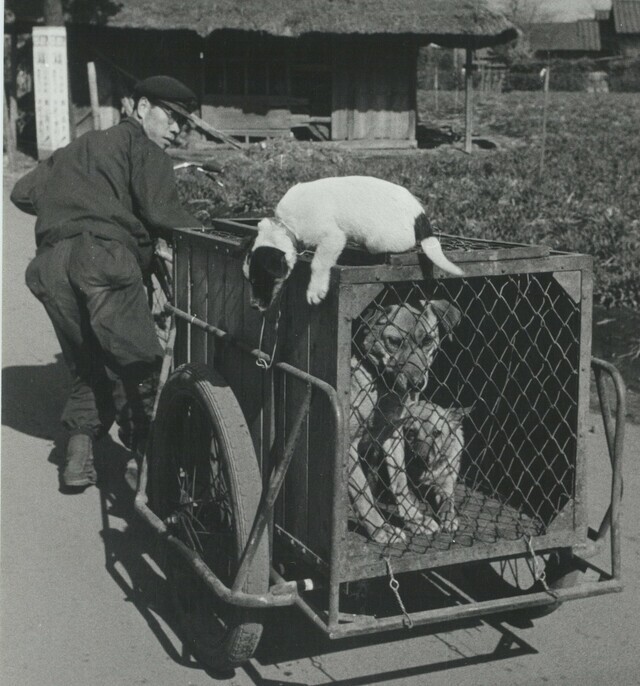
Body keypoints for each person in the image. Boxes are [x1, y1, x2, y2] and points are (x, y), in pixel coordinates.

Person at [11, 75, 203, 489]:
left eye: (183, 124)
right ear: (139, 108)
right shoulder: (143, 148)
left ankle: (78, 459)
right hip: (105, 260)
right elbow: (163, 213)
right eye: (170, 116)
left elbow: (22, 193)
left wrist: (72, 204)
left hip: (50, 268)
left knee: (90, 366)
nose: (176, 129)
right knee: (140, 365)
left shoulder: (74, 150)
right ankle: (151, 468)